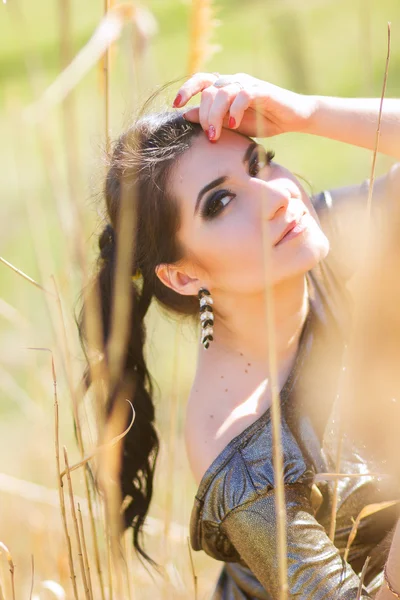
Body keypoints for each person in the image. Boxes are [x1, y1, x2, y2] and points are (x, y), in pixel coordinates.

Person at [77, 71, 400, 598]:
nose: (274, 196)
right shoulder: (235, 441)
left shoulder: (309, 239)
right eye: (220, 203)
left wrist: (307, 111)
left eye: (260, 163)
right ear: (183, 275)